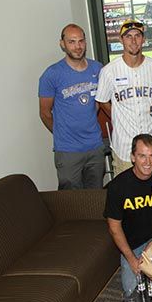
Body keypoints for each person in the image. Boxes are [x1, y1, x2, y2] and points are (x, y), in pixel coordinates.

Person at [104, 134, 152, 293]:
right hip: (133, 247)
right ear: (132, 157)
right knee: (132, 292)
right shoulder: (117, 186)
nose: (148, 162)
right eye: (142, 156)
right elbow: (114, 227)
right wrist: (131, 259)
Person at [96, 19, 152, 176]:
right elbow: (101, 100)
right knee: (127, 197)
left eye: (137, 36)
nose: (133, 41)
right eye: (128, 36)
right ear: (121, 40)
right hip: (125, 148)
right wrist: (117, 115)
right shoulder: (109, 71)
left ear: (143, 39)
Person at [38, 24, 105, 190]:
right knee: (71, 202)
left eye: (81, 41)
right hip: (68, 151)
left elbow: (98, 104)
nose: (78, 46)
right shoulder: (51, 74)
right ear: (62, 44)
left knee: (95, 198)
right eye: (72, 42)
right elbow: (45, 113)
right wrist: (62, 132)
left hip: (95, 147)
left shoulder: (98, 68)